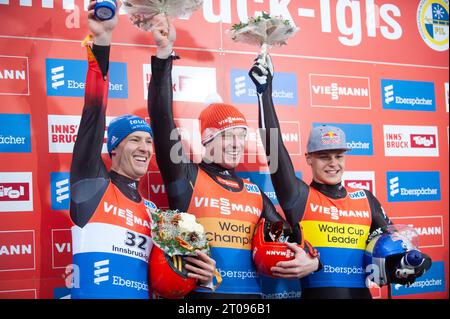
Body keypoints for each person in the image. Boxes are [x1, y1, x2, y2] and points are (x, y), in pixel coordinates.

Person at [146, 15, 320, 299]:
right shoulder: (186, 175)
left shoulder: (253, 193)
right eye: (228, 135)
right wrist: (164, 55)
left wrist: (313, 260)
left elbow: (289, 239)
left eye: (242, 136)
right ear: (207, 138)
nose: (237, 144)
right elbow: (162, 118)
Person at [249, 54, 432, 299]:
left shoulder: (365, 199)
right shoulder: (299, 196)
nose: (333, 164)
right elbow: (274, 150)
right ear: (309, 158)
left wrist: (416, 264)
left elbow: (396, 250)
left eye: (339, 156)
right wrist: (264, 93)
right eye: (324, 156)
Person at [69, 1, 215, 299]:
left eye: (149, 141)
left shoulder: (156, 216)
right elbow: (93, 114)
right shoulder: (92, 186)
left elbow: (186, 272)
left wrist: (207, 273)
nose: (146, 148)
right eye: (135, 139)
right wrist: (102, 41)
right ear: (114, 147)